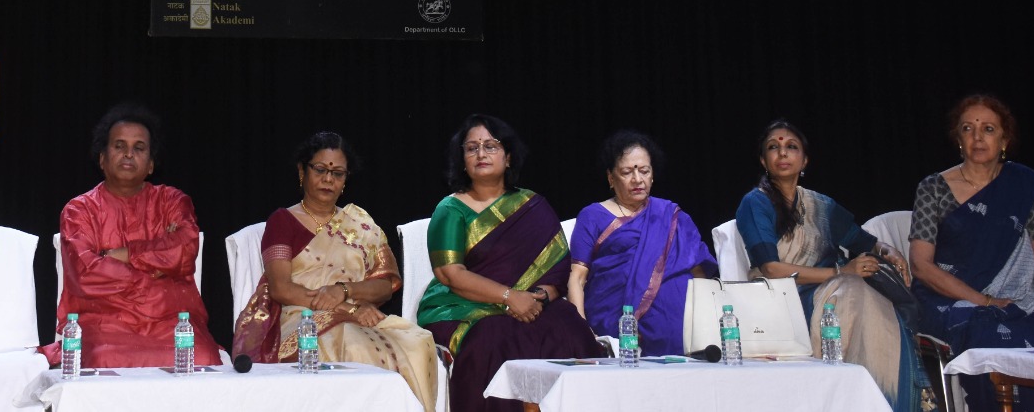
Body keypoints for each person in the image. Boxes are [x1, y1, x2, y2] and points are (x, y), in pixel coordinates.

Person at [909, 95, 1034, 412]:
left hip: (1003, 301)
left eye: (988, 129)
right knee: (985, 330)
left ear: (1004, 140)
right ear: (958, 139)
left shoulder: (1021, 186)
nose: (977, 137)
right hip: (943, 300)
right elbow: (921, 266)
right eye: (967, 128)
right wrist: (984, 301)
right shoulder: (934, 188)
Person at [232, 132, 438, 412]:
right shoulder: (282, 221)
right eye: (320, 169)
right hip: (302, 317)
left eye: (337, 173)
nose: (328, 179)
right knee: (351, 344)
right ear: (302, 172)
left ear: (345, 179)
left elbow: (384, 285)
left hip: (359, 314)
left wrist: (345, 291)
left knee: (418, 343)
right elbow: (281, 288)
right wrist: (347, 309)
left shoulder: (361, 224)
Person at [736, 119, 930, 412]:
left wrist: (887, 250)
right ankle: (851, 399)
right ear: (764, 161)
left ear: (804, 160)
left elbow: (862, 240)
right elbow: (771, 270)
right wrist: (841, 272)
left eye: (791, 147)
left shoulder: (821, 206)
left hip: (829, 290)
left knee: (870, 295)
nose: (783, 153)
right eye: (773, 147)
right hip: (780, 302)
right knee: (850, 291)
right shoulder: (755, 203)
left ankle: (881, 398)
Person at [417, 114, 602, 412]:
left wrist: (537, 297)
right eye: (472, 148)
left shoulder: (533, 205)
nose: (481, 153)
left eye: (490, 146)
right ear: (462, 160)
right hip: (464, 306)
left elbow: (557, 269)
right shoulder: (450, 209)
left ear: (508, 157)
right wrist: (509, 297)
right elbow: (450, 274)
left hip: (532, 303)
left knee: (568, 326)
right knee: (495, 337)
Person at [38, 103, 223, 368]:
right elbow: (86, 273)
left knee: (203, 356)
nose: (128, 154)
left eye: (139, 148)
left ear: (151, 164)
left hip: (169, 320)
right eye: (119, 146)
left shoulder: (172, 202)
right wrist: (158, 276)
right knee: (103, 358)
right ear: (102, 158)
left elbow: (184, 250)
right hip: (105, 319)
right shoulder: (79, 210)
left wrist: (124, 255)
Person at [566, 130, 715, 356]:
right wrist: (582, 329)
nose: (638, 179)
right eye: (627, 172)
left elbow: (699, 274)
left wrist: (705, 322)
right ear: (611, 178)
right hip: (616, 322)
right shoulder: (592, 215)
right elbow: (577, 277)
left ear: (652, 175)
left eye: (644, 171)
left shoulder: (671, 215)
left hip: (683, 328)